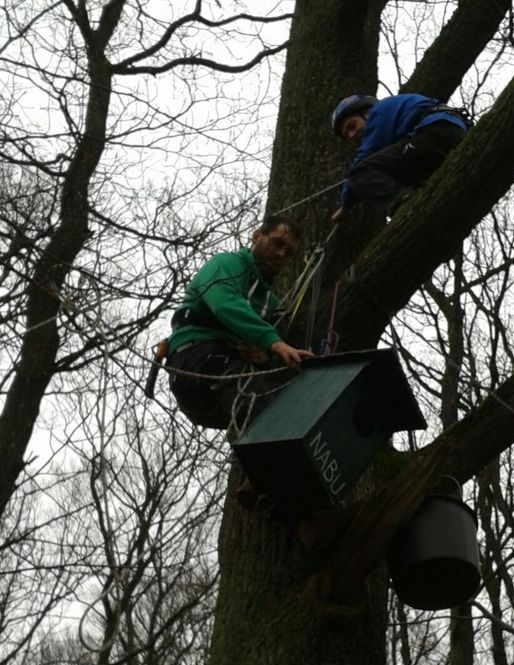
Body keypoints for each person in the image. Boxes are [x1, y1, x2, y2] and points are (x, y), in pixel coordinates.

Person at [167, 215, 312, 434]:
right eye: (277, 243)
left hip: (224, 385)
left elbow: (269, 359)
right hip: (195, 358)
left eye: (289, 252)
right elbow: (223, 302)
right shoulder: (228, 263)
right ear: (256, 237)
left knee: (282, 402)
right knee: (257, 399)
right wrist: (273, 342)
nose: (282, 254)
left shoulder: (270, 303)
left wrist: (262, 356)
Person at [330, 93, 471, 221]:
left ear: (365, 112)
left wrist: (345, 205)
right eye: (348, 135)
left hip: (435, 133)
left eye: (352, 126)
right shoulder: (395, 116)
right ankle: (417, 200)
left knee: (359, 173)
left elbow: (362, 161)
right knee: (395, 175)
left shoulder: (378, 112)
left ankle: (405, 204)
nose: (352, 134)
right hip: (447, 136)